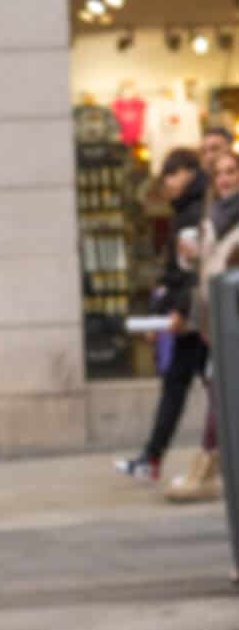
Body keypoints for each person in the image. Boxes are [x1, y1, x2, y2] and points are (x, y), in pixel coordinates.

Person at [116, 146, 207, 482]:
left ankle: (156, 459)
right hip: (193, 315)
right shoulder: (186, 211)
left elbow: (191, 273)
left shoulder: (193, 212)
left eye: (173, 174)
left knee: (193, 388)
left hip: (197, 318)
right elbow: (175, 273)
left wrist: (179, 311)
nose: (167, 182)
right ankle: (152, 458)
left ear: (189, 173)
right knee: (181, 386)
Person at [164, 142, 239, 504]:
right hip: (216, 322)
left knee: (220, 392)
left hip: (234, 319)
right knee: (216, 389)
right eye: (219, 174)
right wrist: (193, 258)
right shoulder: (212, 218)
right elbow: (207, 274)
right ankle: (210, 465)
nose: (225, 179)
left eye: (232, 172)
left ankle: (207, 466)